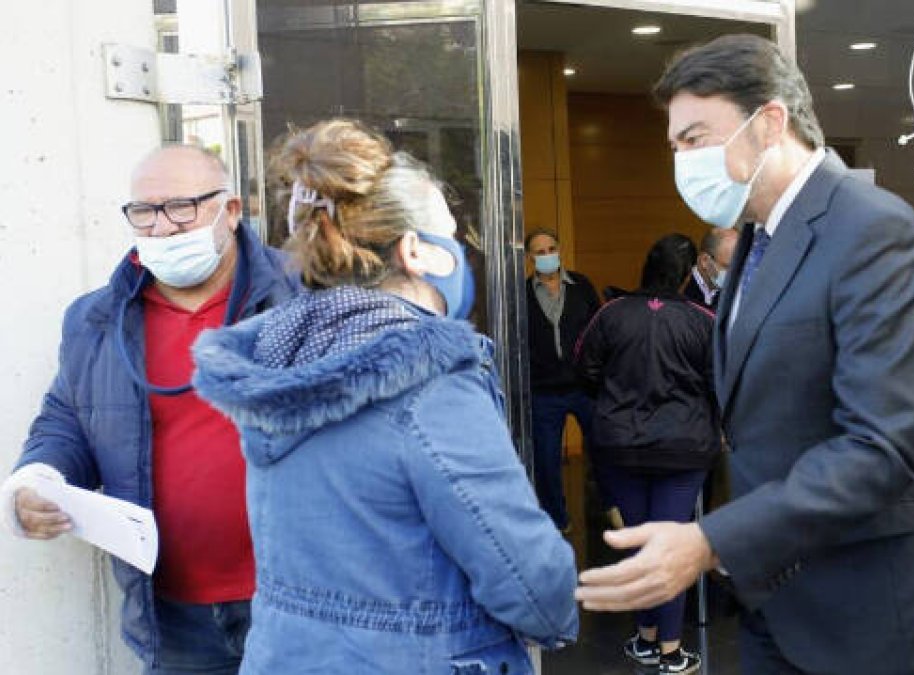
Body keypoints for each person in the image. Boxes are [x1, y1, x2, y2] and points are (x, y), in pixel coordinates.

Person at [575, 34, 914, 675]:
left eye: (695, 138)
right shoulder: (756, 239)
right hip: (781, 603)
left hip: (881, 617)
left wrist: (709, 541)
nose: (681, 161)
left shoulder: (873, 231)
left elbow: (880, 449)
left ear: (769, 123)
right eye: (674, 146)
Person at [190, 119, 578, 674]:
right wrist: (561, 617)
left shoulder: (280, 359)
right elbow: (529, 581)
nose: (464, 254)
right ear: (415, 250)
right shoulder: (432, 384)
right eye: (454, 238)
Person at [1, 145, 299, 674]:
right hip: (173, 614)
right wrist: (37, 477)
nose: (160, 227)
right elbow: (68, 418)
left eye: (181, 207)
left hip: (301, 600)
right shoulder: (97, 320)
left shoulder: (301, 297)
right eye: (144, 211)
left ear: (231, 211)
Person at [575, 234, 720, 675]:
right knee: (671, 545)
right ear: (685, 273)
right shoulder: (701, 319)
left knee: (641, 546)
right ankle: (671, 652)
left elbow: (584, 368)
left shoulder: (611, 313)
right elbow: (721, 380)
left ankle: (645, 639)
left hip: (620, 446)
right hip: (683, 449)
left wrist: (618, 400)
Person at [525, 228, 601, 532]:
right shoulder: (523, 293)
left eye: (551, 249)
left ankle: (606, 512)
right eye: (540, 252)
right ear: (530, 258)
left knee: (602, 450)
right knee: (547, 461)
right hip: (544, 391)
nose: (547, 256)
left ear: (560, 250)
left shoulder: (581, 285)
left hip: (584, 387)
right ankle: (558, 520)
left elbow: (600, 327)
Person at [681, 226, 739, 310]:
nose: (735, 273)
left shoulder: (737, 294)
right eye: (727, 267)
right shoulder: (681, 289)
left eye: (738, 266)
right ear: (704, 260)